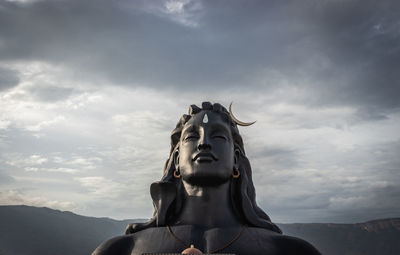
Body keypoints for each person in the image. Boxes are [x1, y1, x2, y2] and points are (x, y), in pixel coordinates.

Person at [92, 102, 321, 255]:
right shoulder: (123, 249)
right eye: (192, 136)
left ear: (236, 159)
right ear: (176, 159)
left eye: (218, 136)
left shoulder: (288, 250)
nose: (203, 143)